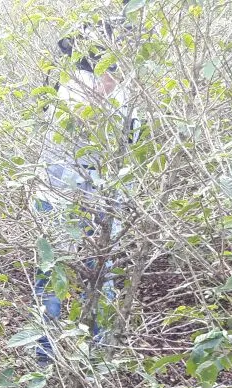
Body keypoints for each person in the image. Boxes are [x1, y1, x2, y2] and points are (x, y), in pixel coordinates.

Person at [33, 23, 137, 363]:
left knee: (94, 277)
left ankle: (94, 360)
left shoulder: (113, 91)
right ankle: (49, 361)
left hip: (97, 199)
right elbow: (81, 116)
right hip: (62, 195)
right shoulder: (78, 90)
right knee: (56, 276)